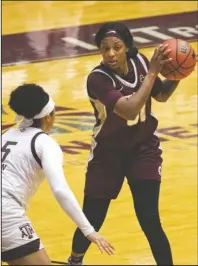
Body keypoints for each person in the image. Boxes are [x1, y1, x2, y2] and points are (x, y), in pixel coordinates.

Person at [67, 22, 181, 265]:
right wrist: (152, 73)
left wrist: (178, 73)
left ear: (126, 47)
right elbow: (129, 111)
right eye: (104, 48)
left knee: (150, 219)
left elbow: (160, 95)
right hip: (108, 154)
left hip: (143, 149)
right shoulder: (97, 79)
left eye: (116, 47)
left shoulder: (140, 62)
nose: (110, 53)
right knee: (93, 218)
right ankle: (75, 259)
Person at [1, 84, 114, 265]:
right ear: (48, 116)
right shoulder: (44, 143)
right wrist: (89, 231)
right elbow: (60, 190)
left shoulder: (5, 135)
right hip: (5, 214)